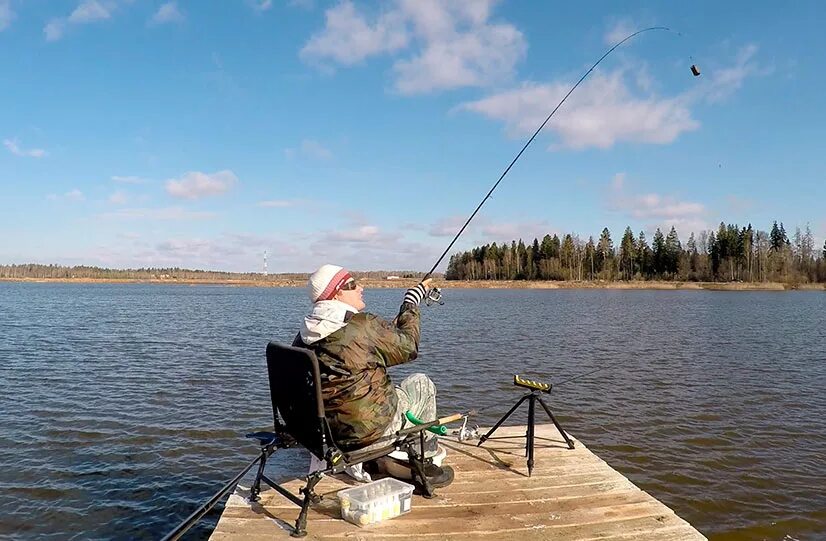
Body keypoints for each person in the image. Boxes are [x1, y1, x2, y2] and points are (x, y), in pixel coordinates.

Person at [294, 264, 452, 486]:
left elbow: (367, 340)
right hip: (368, 435)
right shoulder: (362, 326)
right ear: (336, 294)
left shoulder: (306, 333)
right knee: (421, 384)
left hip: (327, 436)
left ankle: (383, 458)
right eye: (352, 284)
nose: (361, 286)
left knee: (391, 391)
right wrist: (411, 303)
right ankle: (424, 463)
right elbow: (408, 346)